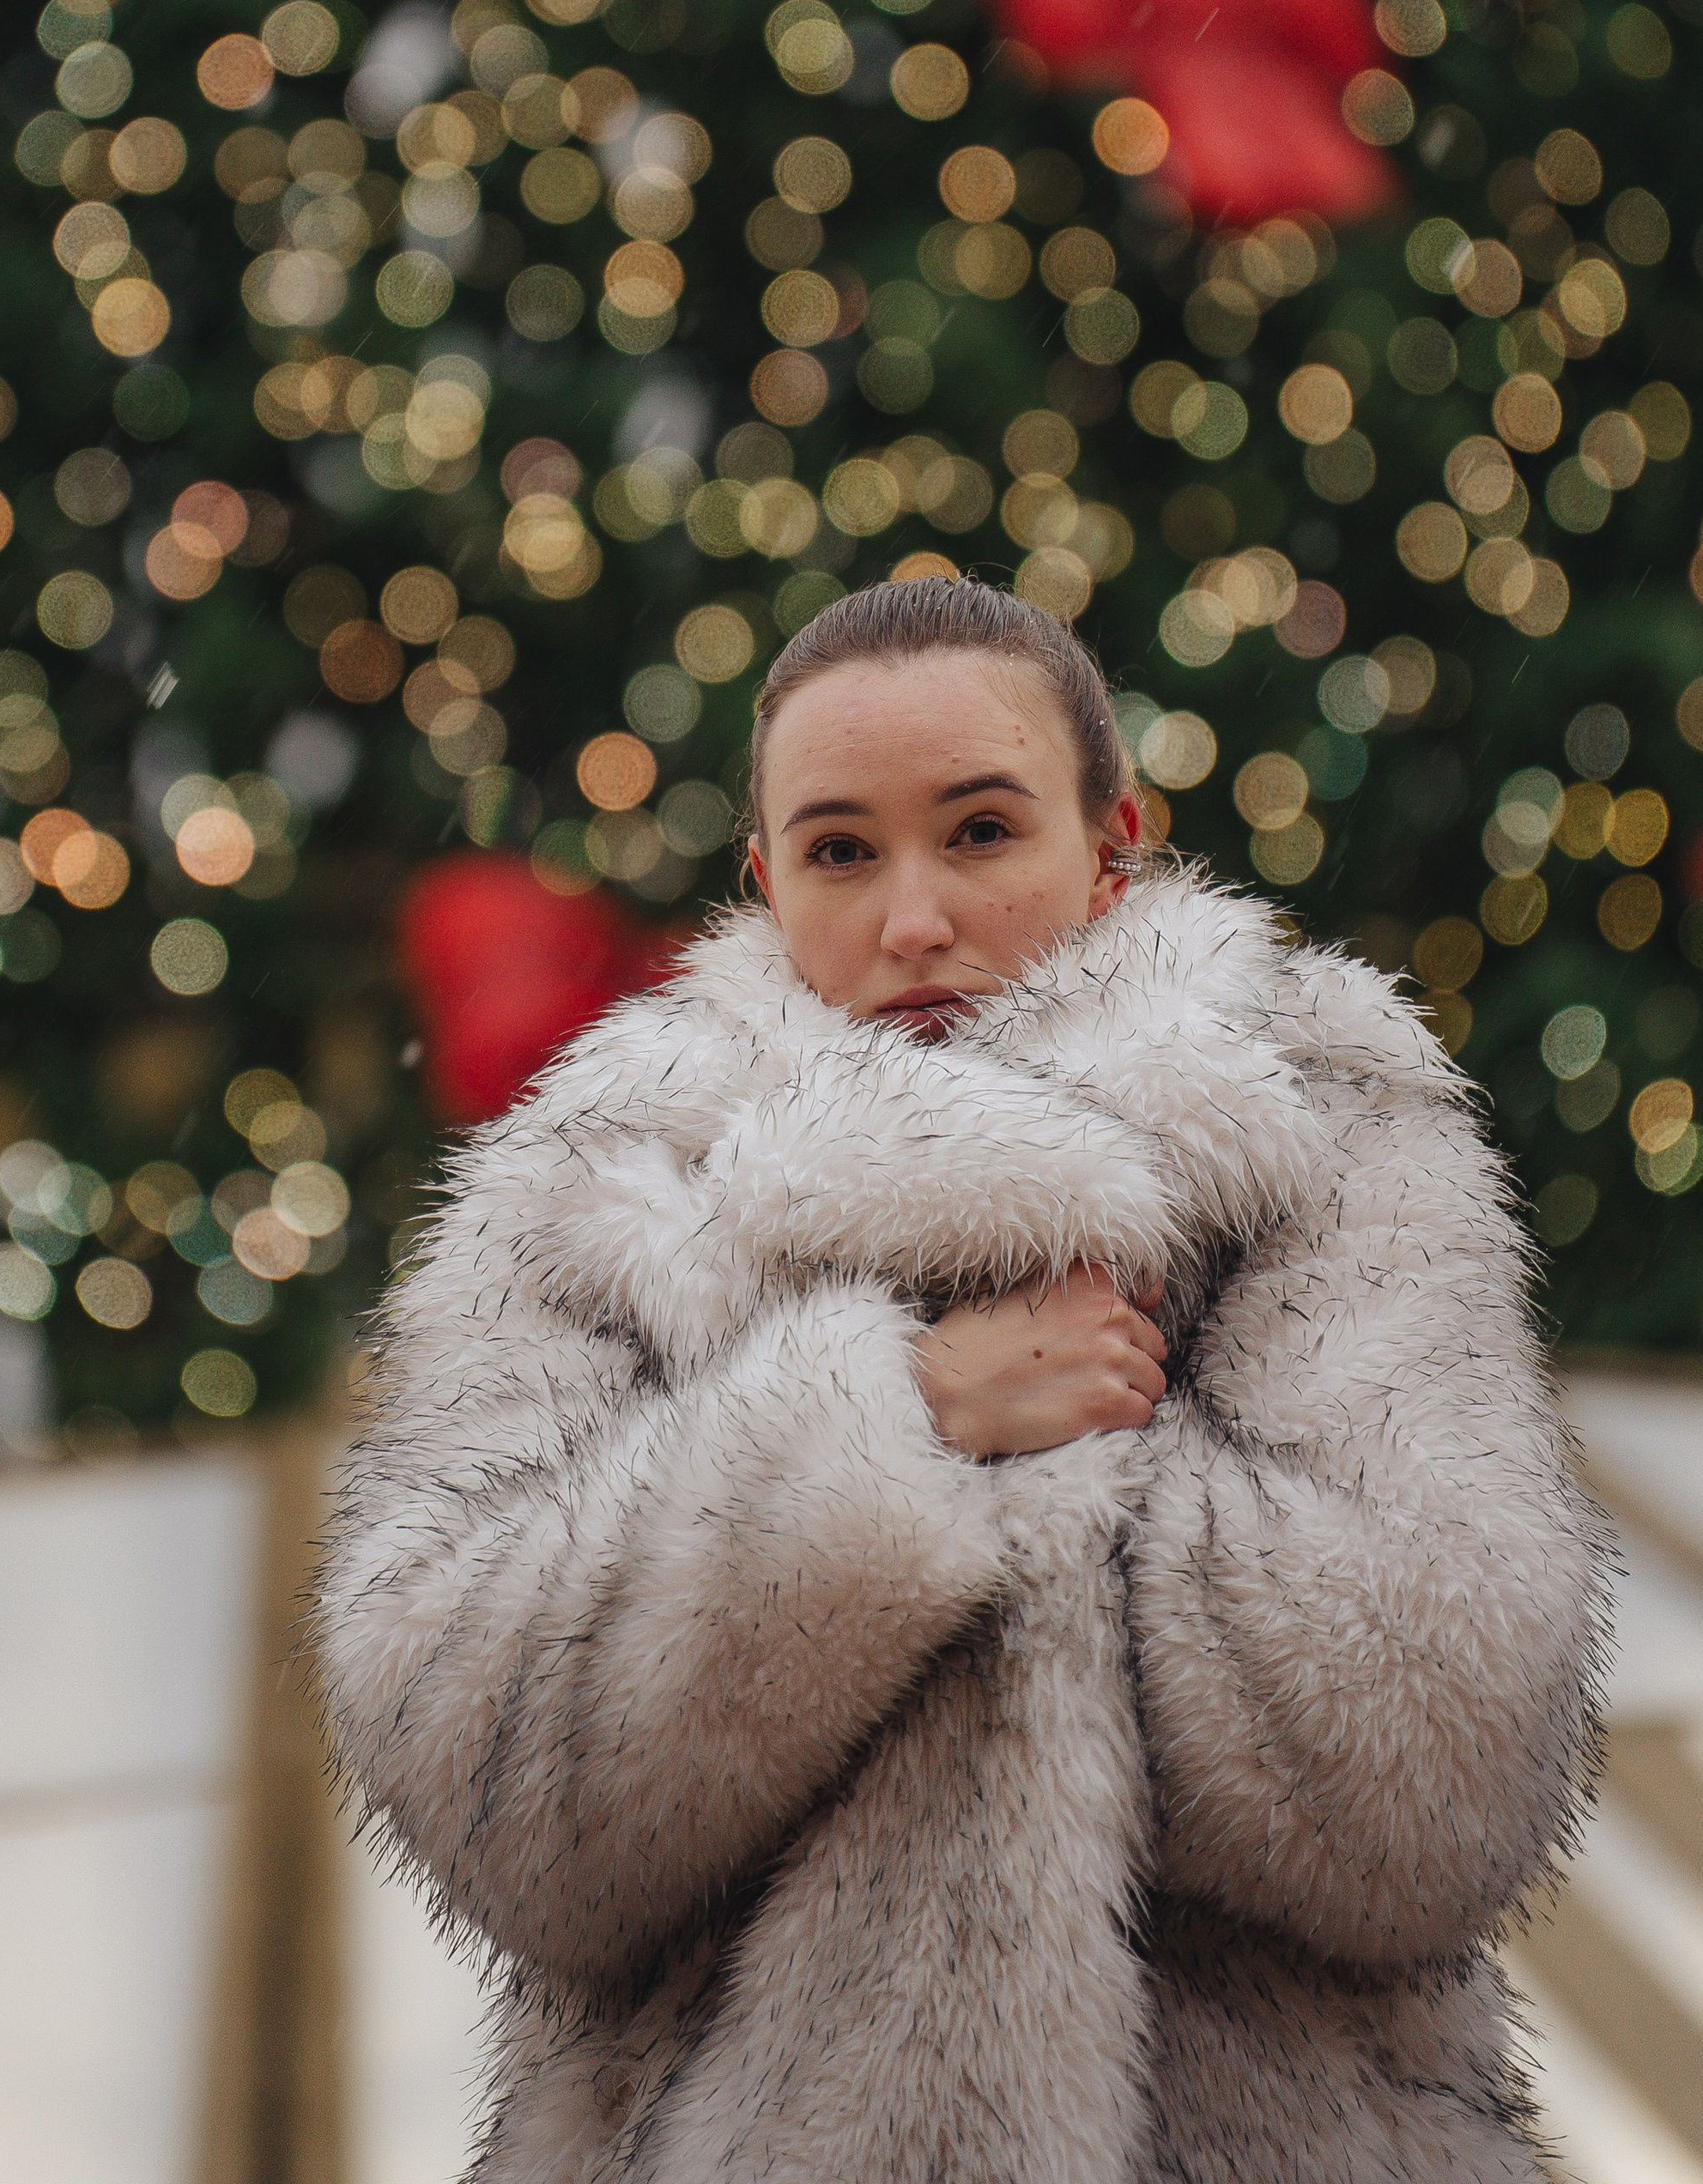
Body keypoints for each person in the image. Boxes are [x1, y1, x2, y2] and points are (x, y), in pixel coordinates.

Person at [320, 576, 1609, 2184]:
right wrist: (896, 1425)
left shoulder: (1321, 1127)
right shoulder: (599, 1187)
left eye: (983, 832)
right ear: (764, 879)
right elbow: (489, 1774)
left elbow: (1450, 1762)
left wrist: (1057, 1480)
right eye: (841, 851)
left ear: (1112, 838)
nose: (912, 917)